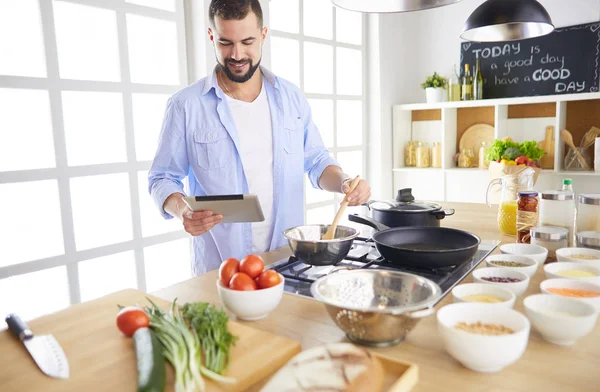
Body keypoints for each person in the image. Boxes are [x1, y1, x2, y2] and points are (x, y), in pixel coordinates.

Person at [149, 0, 371, 275]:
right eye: (226, 42)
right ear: (211, 37)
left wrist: (345, 183)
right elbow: (162, 178)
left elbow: (316, 161)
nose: (238, 54)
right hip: (219, 271)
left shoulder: (291, 99)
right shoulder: (186, 105)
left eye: (247, 41)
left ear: (263, 35)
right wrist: (182, 210)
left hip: (288, 263)